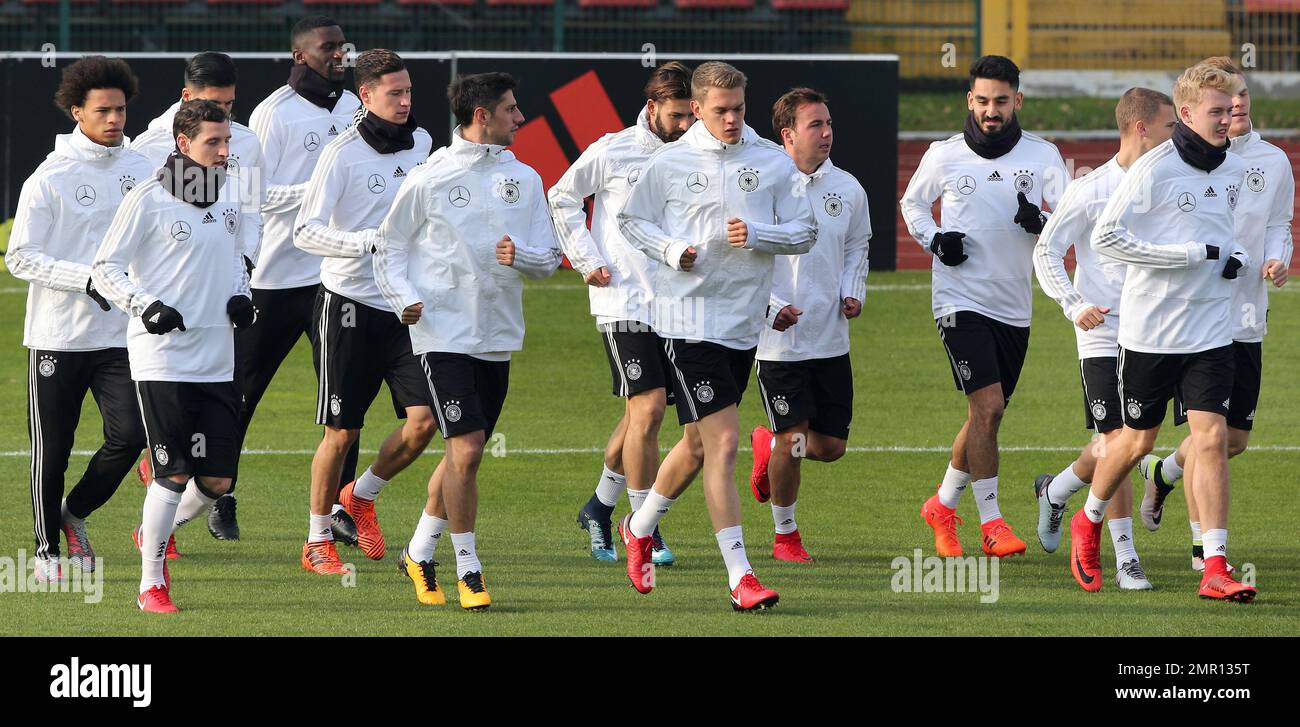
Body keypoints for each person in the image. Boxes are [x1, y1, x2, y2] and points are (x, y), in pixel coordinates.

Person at [617, 61, 817, 611]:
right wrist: (669, 251)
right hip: (686, 322)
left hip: (742, 322)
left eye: (739, 110)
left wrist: (759, 235)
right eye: (720, 111)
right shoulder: (670, 162)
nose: (731, 120)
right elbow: (632, 221)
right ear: (698, 109)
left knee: (698, 445)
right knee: (725, 443)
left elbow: (804, 232)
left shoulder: (772, 164)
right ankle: (741, 576)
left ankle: (638, 526)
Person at [375, 72, 562, 609]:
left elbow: (549, 260)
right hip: (441, 332)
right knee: (469, 448)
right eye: (511, 108)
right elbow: (387, 248)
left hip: (497, 335)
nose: (520, 118)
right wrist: (403, 299)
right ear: (482, 114)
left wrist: (519, 256)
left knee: (463, 458)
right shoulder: (428, 177)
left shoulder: (525, 178)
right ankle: (469, 568)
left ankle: (417, 552)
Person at [1081, 62, 1253, 601]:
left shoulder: (1231, 169)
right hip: (1150, 334)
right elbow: (1108, 238)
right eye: (1216, 111)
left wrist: (1235, 258)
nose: (1228, 119)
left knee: (1213, 439)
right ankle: (1087, 522)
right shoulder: (1154, 168)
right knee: (1136, 442)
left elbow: (1223, 235)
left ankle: (1215, 568)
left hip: (1211, 330)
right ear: (1185, 114)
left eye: (1231, 110)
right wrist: (1184, 256)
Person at [899, 55, 1068, 559]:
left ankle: (943, 504)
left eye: (1000, 100)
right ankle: (992, 523)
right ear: (969, 101)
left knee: (985, 418)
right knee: (988, 407)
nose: (990, 110)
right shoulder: (945, 154)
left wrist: (1040, 219)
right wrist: (935, 239)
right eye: (982, 100)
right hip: (958, 298)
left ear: (1017, 100)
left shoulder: (1043, 156)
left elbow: (1070, 216)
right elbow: (912, 203)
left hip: (1013, 304)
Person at [92, 100, 253, 612]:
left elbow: (236, 260)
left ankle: (152, 529)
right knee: (173, 473)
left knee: (217, 482)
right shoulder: (148, 199)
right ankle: (151, 583)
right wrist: (146, 305)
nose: (225, 152)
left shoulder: (230, 195)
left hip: (217, 356)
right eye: (214, 143)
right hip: (162, 357)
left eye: (227, 141)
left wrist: (241, 295)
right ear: (184, 145)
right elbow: (104, 270)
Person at [1135, 56, 1293, 574]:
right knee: (1211, 437)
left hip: (1246, 311)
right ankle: (1208, 552)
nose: (1238, 106)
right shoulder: (1182, 160)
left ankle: (1163, 475)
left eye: (1244, 95)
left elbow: (1278, 224)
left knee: (1234, 440)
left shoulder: (1271, 162)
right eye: (1228, 100)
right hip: (1196, 316)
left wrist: (1279, 259)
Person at [5, 56, 152, 582]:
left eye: (121, 109)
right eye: (103, 111)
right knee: (53, 448)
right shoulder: (49, 177)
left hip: (121, 335)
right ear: (77, 112)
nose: (115, 119)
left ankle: (74, 514)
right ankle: (45, 553)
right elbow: (19, 257)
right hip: (58, 336)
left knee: (132, 435)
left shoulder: (141, 169)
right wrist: (88, 278)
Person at [293, 49, 436, 574]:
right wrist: (365, 242)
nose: (405, 101)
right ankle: (315, 539)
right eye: (394, 93)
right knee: (342, 432)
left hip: (405, 307)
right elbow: (304, 230)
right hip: (347, 306)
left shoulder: (422, 142)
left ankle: (361, 495)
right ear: (367, 95)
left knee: (425, 423)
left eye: (408, 91)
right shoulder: (341, 153)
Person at [547, 61, 694, 566]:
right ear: (652, 108)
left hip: (680, 303)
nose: (686, 126)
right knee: (650, 410)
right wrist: (587, 259)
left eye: (691, 116)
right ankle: (642, 529)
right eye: (677, 116)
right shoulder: (613, 149)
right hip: (624, 300)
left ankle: (598, 507)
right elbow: (562, 196)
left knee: (639, 417)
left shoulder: (700, 151)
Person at [1031, 87, 1176, 590]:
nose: (1175, 135)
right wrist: (1074, 305)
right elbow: (1047, 251)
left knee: (1125, 445)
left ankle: (1057, 491)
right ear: (1141, 128)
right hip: (1102, 332)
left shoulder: (1169, 180)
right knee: (1118, 441)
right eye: (1169, 126)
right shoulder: (1092, 189)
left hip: (1155, 331)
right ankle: (1124, 555)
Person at [238, 15, 363, 542]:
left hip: (334, 276)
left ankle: (343, 510)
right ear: (299, 56)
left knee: (346, 398)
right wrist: (320, 191)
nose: (339, 55)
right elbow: (254, 197)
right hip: (275, 275)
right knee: (241, 392)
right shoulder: (273, 114)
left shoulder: (356, 106)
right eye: (328, 48)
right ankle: (219, 492)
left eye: (342, 47)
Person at [131, 51, 265, 541]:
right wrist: (146, 302)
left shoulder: (246, 144)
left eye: (230, 106)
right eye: (215, 107)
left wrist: (242, 276)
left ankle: (162, 523)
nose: (226, 121)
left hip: (219, 310)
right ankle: (154, 551)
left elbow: (248, 216)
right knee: (161, 457)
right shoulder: (147, 148)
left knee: (210, 469)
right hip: (160, 321)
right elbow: (132, 236)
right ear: (187, 99)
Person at [748, 88, 871, 563]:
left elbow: (858, 245)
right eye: (815, 125)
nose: (826, 133)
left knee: (831, 446)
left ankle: (766, 443)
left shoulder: (849, 188)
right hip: (777, 341)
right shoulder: (762, 187)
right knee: (794, 439)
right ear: (787, 135)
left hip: (830, 337)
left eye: (829, 123)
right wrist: (772, 306)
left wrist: (852, 290)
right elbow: (746, 254)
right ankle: (786, 535)